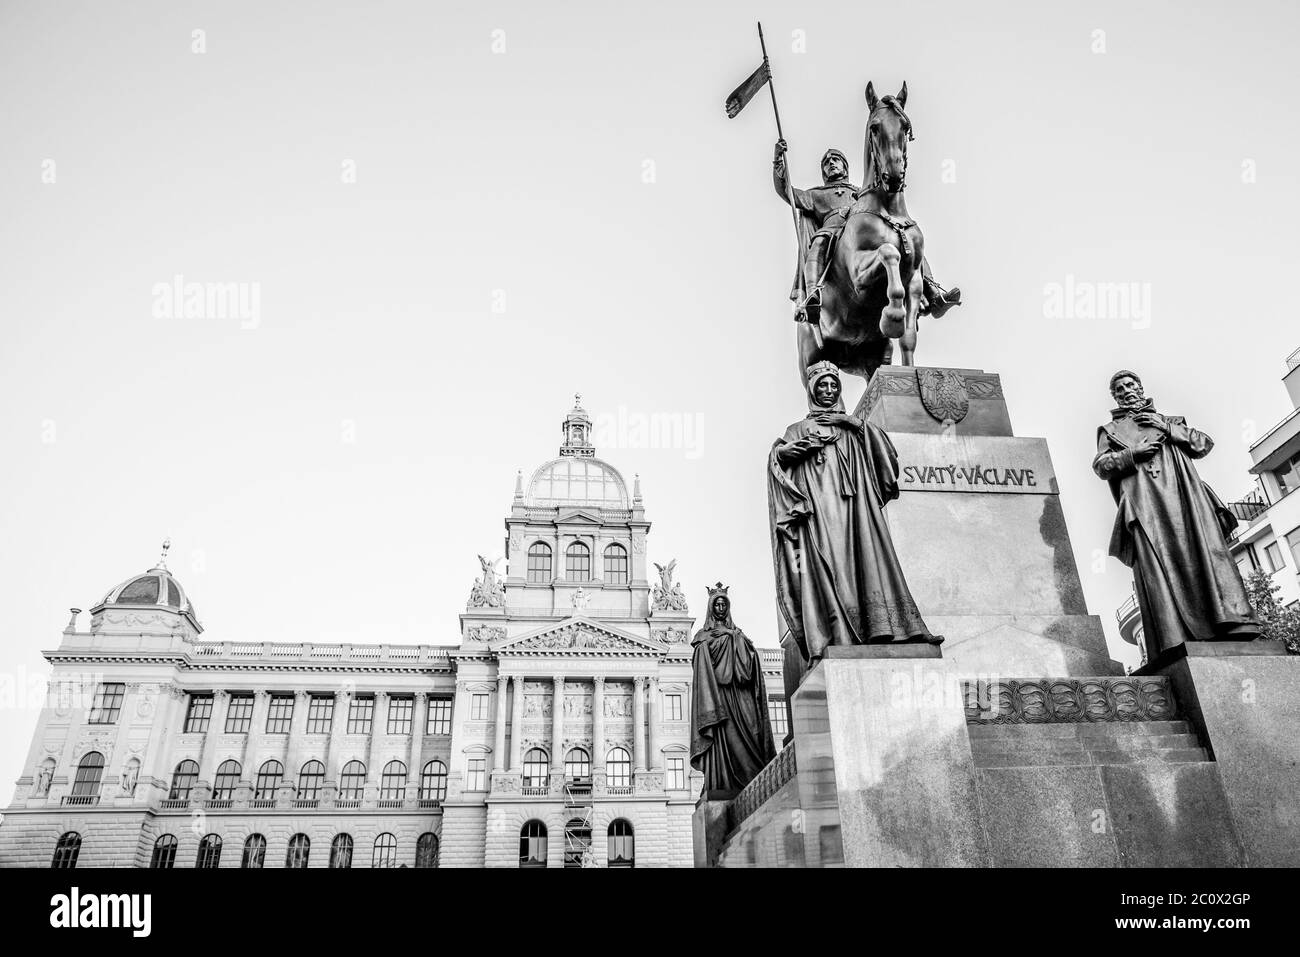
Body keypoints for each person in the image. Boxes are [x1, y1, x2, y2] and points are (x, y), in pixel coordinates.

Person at [769, 361, 940, 660]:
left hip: (857, 512)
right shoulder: (797, 429)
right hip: (821, 515)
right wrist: (791, 450)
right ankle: (840, 635)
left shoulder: (853, 428)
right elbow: (778, 460)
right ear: (812, 390)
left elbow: (886, 458)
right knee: (830, 567)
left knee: (871, 561)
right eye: (822, 385)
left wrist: (857, 425)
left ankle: (888, 628)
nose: (829, 390)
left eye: (833, 385)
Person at [1094, 370, 1259, 661]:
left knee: (1204, 556)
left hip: (1186, 503)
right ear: (1115, 396)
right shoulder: (1110, 431)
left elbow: (1203, 444)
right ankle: (1175, 636)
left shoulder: (1171, 422)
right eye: (1120, 388)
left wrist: (1166, 428)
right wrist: (1132, 453)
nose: (1126, 390)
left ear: (1141, 388)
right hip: (1145, 506)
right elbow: (1101, 466)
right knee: (1158, 565)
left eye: (1131, 385)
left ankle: (1230, 622)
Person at [773, 141, 959, 324]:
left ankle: (933, 293)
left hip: (863, 234)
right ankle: (813, 295)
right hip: (833, 231)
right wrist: (778, 161)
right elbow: (786, 191)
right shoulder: (815, 195)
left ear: (845, 167)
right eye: (827, 163)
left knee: (907, 238)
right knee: (819, 241)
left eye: (835, 160)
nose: (831, 163)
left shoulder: (861, 191)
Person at [689, 585, 776, 793]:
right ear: (711, 608)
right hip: (717, 696)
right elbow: (700, 664)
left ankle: (754, 779)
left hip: (738, 693)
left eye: (723, 604)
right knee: (724, 739)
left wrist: (733, 637)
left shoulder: (738, 633)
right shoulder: (703, 635)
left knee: (750, 736)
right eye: (716, 604)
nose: (720, 608)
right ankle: (723, 780)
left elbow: (750, 663)